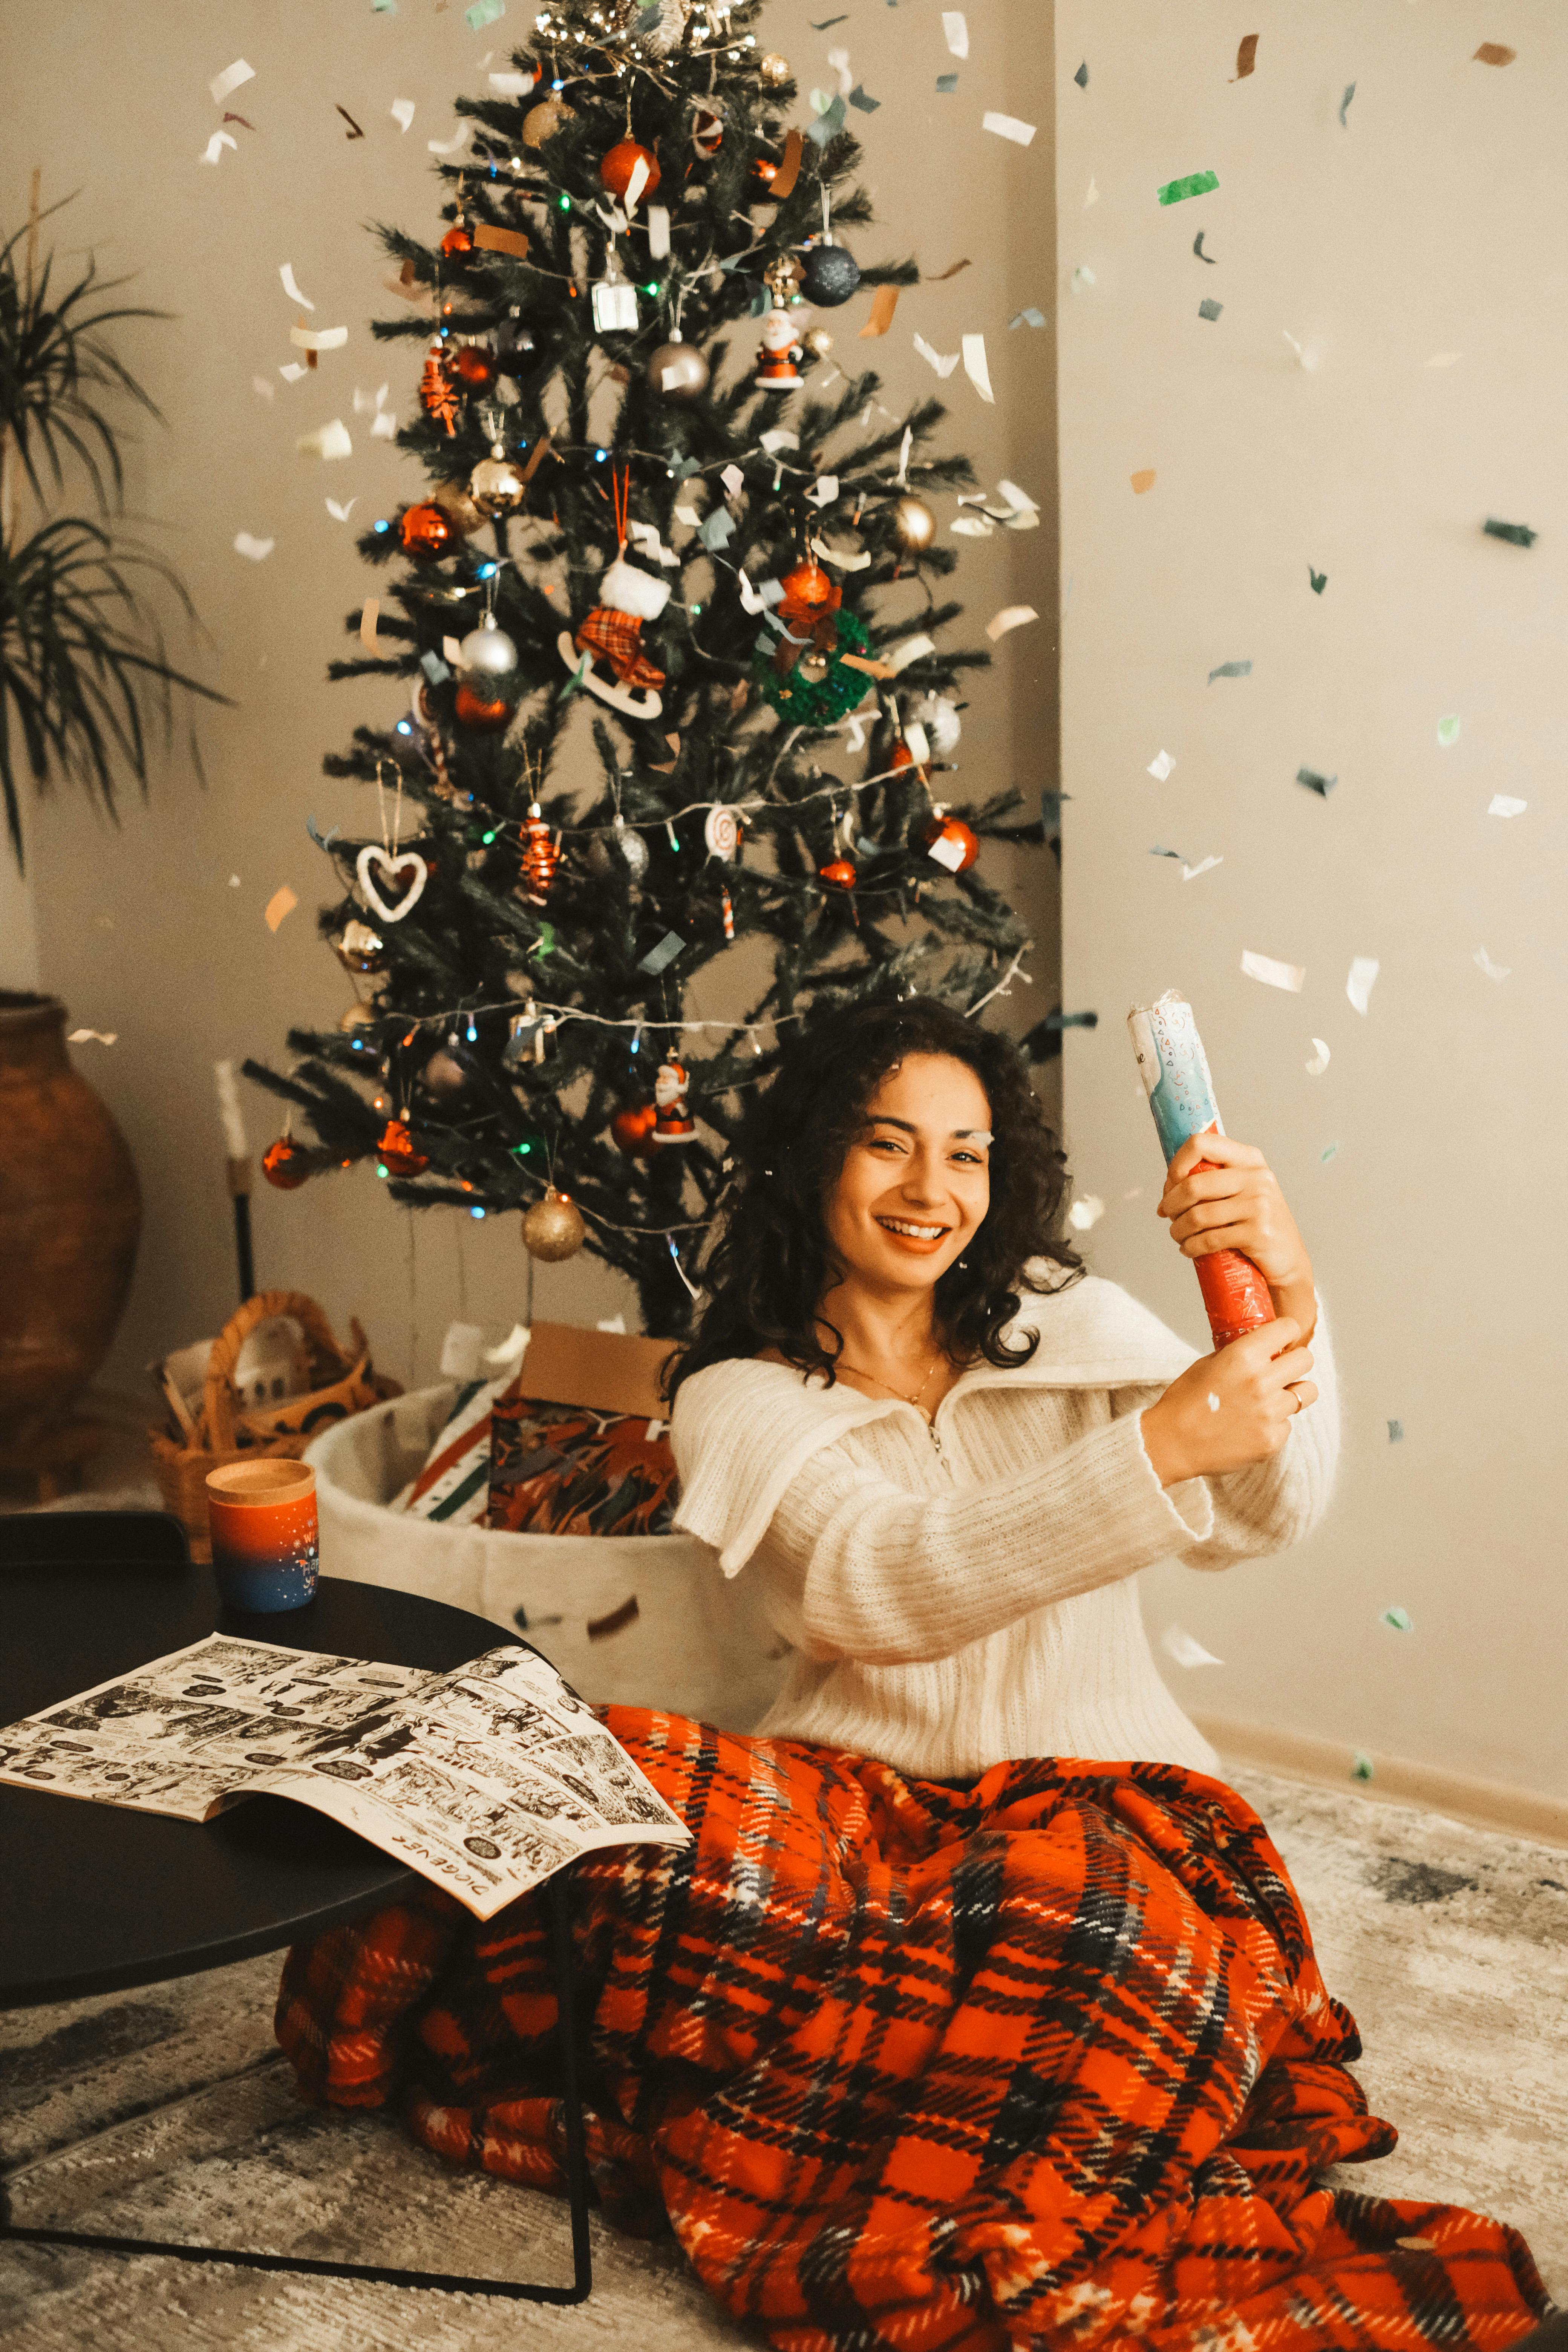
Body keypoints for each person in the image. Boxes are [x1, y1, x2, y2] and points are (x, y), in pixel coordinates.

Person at [277, 997, 1549, 2352]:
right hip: (860, 1821)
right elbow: (879, 1585)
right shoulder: (738, 1393)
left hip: (1104, 1815)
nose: (930, 1190)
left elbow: (1261, 1508)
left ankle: (964, 2087)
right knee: (587, 1764)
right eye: (889, 1146)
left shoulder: (1070, 1323)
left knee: (1085, 1927)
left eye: (967, 1153)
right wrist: (1155, 1449)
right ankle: (922, 2016)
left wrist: (1284, 1290)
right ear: (817, 1156)